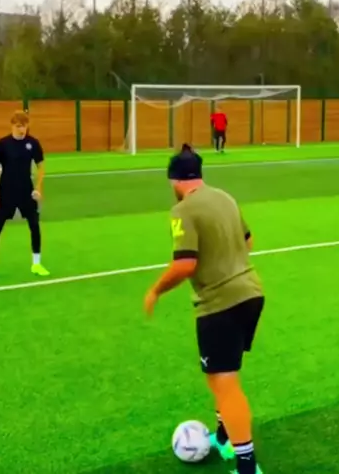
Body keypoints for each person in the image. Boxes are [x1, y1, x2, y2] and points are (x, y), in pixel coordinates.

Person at [144, 143, 264, 474]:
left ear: (174, 180)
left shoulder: (182, 210)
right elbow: (249, 241)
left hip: (220, 302)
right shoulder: (224, 197)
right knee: (223, 377)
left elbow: (185, 265)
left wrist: (155, 290)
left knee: (225, 384)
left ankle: (247, 466)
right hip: (251, 293)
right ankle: (224, 438)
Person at [0, 110, 50, 282]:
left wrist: (38, 188)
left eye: (24, 126)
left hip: (27, 192)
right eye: (19, 126)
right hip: (5, 193)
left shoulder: (33, 143)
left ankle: (36, 264)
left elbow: (41, 167)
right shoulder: (2, 144)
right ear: (12, 125)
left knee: (35, 227)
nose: (22, 129)